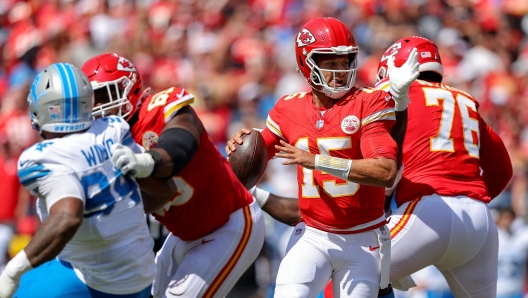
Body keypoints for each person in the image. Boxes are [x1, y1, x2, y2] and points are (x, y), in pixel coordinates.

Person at [226, 17, 420, 298]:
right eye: (330, 62)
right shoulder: (288, 108)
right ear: (307, 62)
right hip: (312, 235)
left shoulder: (369, 101)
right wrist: (238, 147)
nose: (340, 71)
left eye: (345, 62)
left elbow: (385, 171)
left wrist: (316, 161)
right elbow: (254, 156)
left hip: (363, 238)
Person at [81, 53, 265, 298]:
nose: (98, 109)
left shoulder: (159, 108)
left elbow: (181, 143)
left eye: (104, 96)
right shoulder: (101, 144)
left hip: (229, 222)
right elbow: (158, 196)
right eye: (91, 102)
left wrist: (147, 161)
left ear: (129, 90)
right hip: (183, 234)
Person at [372, 36, 512, 297]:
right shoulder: (465, 100)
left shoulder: (391, 95)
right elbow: (503, 170)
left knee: (351, 269)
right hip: (478, 220)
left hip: (426, 213)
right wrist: (466, 197)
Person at [0, 63, 155, 298]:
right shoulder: (114, 129)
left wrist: (12, 271)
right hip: (143, 273)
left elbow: (68, 217)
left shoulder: (43, 157)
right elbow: (156, 189)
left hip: (96, 279)